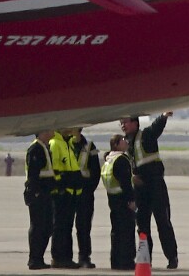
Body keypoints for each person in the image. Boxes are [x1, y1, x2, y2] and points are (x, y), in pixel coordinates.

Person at [120, 113, 178, 269]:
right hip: (140, 189)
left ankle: (172, 257)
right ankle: (146, 259)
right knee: (142, 226)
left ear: (135, 123)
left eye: (125, 122)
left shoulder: (146, 135)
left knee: (163, 222)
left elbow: (156, 127)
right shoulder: (127, 143)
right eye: (121, 123)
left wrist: (164, 115)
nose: (122, 125)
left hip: (155, 185)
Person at [48, 129, 82, 269]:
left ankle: (66, 257)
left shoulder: (67, 143)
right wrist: (60, 188)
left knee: (67, 227)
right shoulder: (55, 143)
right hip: (62, 193)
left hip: (72, 192)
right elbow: (54, 169)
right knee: (60, 227)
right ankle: (59, 258)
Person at [101, 134, 136, 271]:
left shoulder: (109, 159)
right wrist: (131, 200)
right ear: (116, 145)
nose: (126, 142)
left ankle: (115, 261)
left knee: (116, 232)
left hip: (113, 200)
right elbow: (125, 183)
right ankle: (126, 262)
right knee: (126, 232)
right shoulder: (121, 160)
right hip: (123, 201)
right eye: (122, 140)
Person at [24, 130, 56, 270]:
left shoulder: (45, 147)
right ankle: (34, 260)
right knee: (38, 227)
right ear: (43, 132)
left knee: (47, 226)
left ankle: (39, 258)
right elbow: (33, 173)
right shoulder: (36, 149)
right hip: (38, 194)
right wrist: (35, 192)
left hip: (45, 193)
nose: (53, 131)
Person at [70, 127, 100, 269]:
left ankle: (84, 257)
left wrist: (88, 190)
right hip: (69, 192)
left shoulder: (89, 147)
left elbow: (95, 172)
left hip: (85, 194)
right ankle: (64, 257)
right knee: (64, 227)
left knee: (84, 227)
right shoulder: (64, 144)